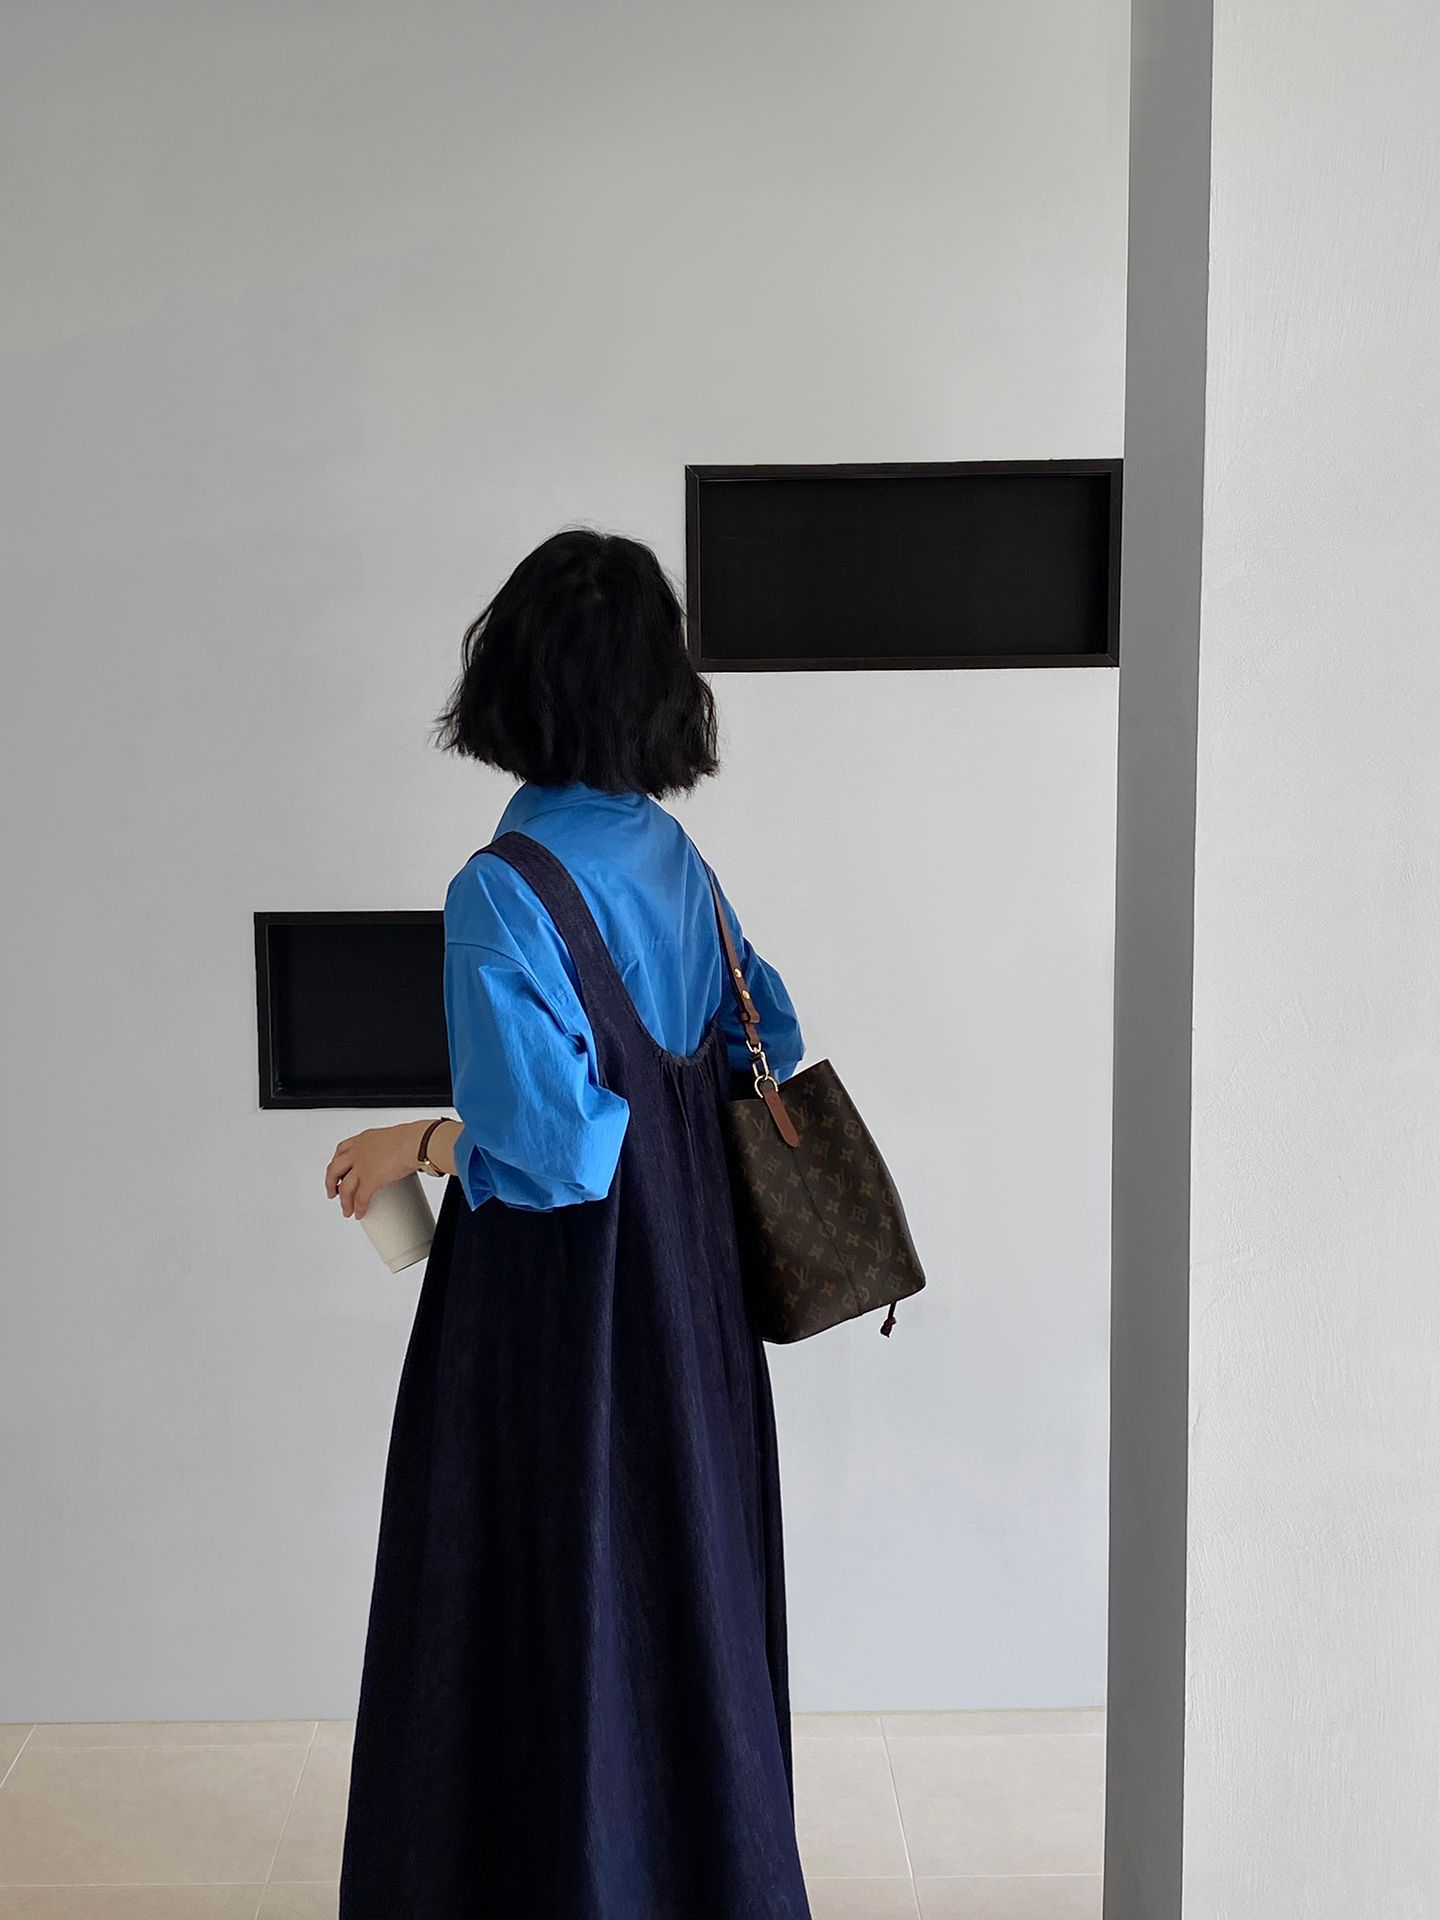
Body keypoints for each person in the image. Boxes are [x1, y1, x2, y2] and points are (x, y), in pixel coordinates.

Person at [325, 528, 813, 1918]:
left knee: (529, 1604)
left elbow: (552, 1153)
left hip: (558, 1327)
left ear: (513, 683)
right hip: (694, 1309)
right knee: (684, 1595)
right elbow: (766, 1043)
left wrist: (411, 1145)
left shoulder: (503, 888)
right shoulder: (678, 861)